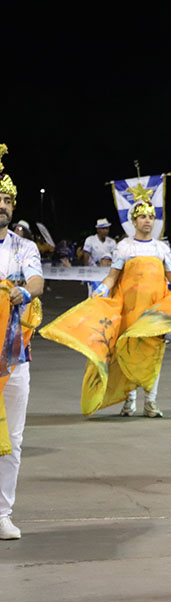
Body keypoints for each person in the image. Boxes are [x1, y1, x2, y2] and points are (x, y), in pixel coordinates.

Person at [40, 184, 171, 418]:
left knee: (153, 355)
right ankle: (129, 402)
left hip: (154, 314)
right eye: (142, 217)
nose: (148, 220)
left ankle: (151, 402)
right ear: (134, 221)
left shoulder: (161, 248)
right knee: (126, 354)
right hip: (129, 311)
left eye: (151, 216)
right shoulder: (124, 247)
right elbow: (112, 277)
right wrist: (100, 290)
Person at [0, 146, 45, 540]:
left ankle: (2, 513)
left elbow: (36, 280)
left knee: (12, 438)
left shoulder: (24, 246)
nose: (2, 205)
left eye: (8, 200)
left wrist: (25, 294)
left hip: (15, 354)